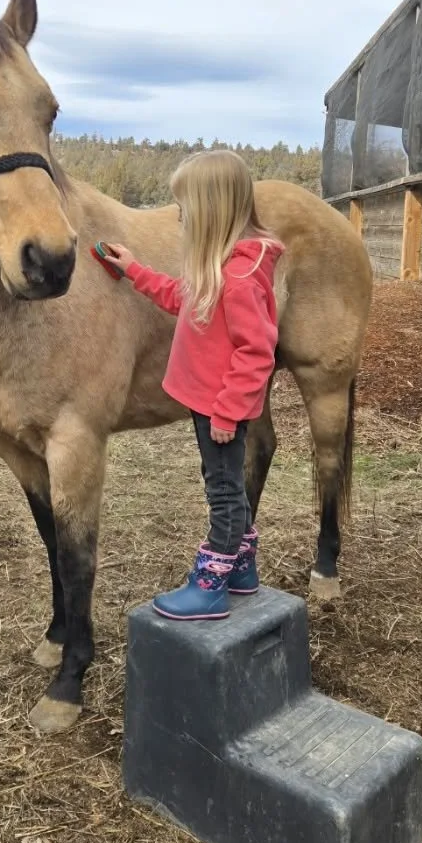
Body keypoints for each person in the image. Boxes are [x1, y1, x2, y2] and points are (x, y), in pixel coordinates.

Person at [100, 149, 283, 619]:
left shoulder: (239, 279)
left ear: (210, 212)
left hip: (220, 408)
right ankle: (242, 571)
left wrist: (227, 411)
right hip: (207, 403)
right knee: (222, 483)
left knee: (223, 494)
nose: (179, 217)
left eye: (185, 209)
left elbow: (256, 352)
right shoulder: (218, 269)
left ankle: (210, 585)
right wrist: (134, 269)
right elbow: (181, 299)